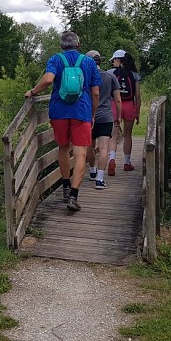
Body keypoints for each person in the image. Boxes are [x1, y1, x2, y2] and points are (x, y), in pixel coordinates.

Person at [25, 31, 100, 211]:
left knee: (64, 148)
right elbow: (96, 92)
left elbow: (48, 79)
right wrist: (92, 114)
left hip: (59, 112)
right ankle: (74, 195)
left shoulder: (56, 60)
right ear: (78, 44)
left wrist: (33, 92)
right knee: (81, 153)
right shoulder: (89, 62)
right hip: (81, 112)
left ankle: (65, 185)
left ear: (62, 45)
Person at [85, 51, 121, 189]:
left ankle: (92, 171)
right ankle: (100, 180)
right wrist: (118, 116)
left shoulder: (85, 77)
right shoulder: (110, 76)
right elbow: (117, 99)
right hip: (106, 115)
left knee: (90, 145)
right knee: (104, 147)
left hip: (89, 116)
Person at [108, 50, 141, 173]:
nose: (112, 63)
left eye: (113, 60)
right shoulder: (134, 75)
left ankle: (112, 159)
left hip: (114, 105)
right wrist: (137, 112)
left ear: (118, 60)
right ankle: (127, 163)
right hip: (129, 106)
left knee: (113, 135)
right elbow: (137, 96)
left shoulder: (111, 73)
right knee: (128, 135)